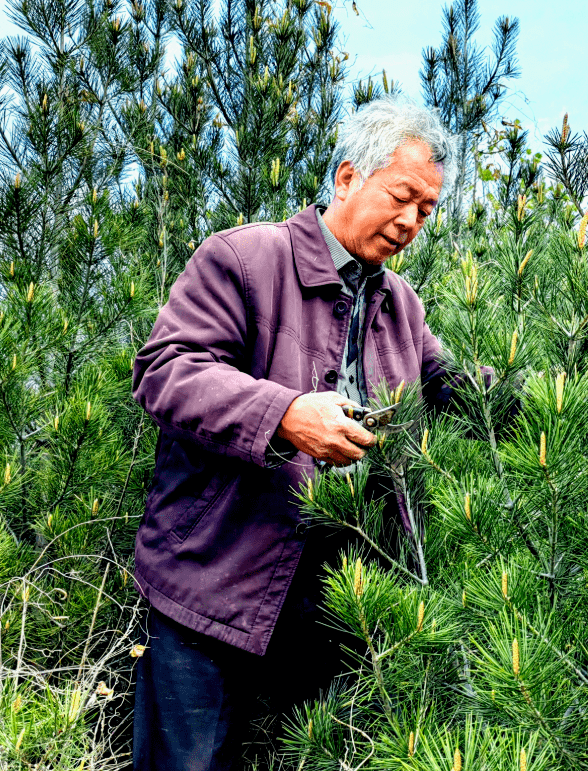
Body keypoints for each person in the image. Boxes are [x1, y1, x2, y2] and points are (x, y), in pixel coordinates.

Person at [130, 97, 461, 770]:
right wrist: (283, 414)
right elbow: (165, 372)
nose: (410, 222)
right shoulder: (246, 258)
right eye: (401, 198)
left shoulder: (401, 307)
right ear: (346, 178)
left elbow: (454, 385)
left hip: (333, 607)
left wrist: (567, 391)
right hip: (213, 586)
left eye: (426, 211)